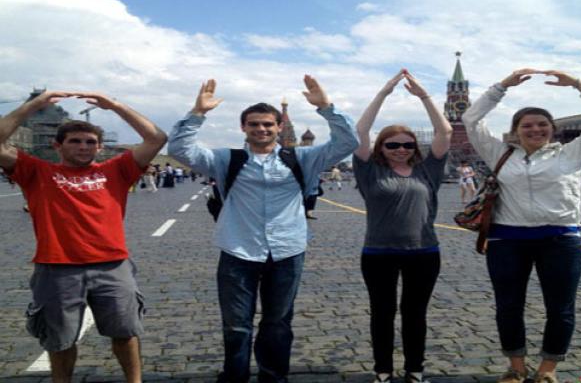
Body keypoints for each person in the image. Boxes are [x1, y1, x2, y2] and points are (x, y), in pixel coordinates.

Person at [168, 76, 358, 383]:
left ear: (279, 127)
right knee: (236, 325)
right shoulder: (226, 159)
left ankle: (273, 377)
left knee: (279, 322)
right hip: (238, 250)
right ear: (243, 128)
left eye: (268, 124)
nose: (262, 129)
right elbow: (179, 149)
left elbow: (349, 142)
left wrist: (326, 106)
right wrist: (197, 113)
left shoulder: (302, 158)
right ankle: (235, 376)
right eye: (254, 124)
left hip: (286, 251)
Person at [0, 90, 167, 383]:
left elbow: (156, 138)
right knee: (60, 340)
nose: (83, 146)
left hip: (113, 266)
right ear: (58, 145)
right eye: (74, 141)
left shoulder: (116, 170)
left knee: (126, 333)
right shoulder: (37, 171)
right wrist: (34, 105)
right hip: (56, 269)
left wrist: (114, 105)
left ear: (100, 148)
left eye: (90, 142)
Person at [462, 69, 581, 383]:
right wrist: (501, 87)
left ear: (552, 129)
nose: (535, 129)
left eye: (542, 124)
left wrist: (579, 85)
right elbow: (471, 119)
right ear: (515, 131)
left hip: (560, 239)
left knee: (560, 308)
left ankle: (548, 370)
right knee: (508, 306)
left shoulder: (574, 153)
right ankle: (516, 368)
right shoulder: (499, 153)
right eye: (527, 125)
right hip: (507, 240)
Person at [353, 70, 453, 383]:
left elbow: (445, 131)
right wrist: (383, 92)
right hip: (378, 253)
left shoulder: (428, 170)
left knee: (415, 314)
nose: (400, 149)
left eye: (407, 145)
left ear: (415, 148)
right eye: (393, 144)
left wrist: (424, 96)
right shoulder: (369, 172)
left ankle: (415, 369)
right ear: (381, 147)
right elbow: (361, 130)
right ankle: (383, 369)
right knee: (382, 314)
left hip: (423, 252)